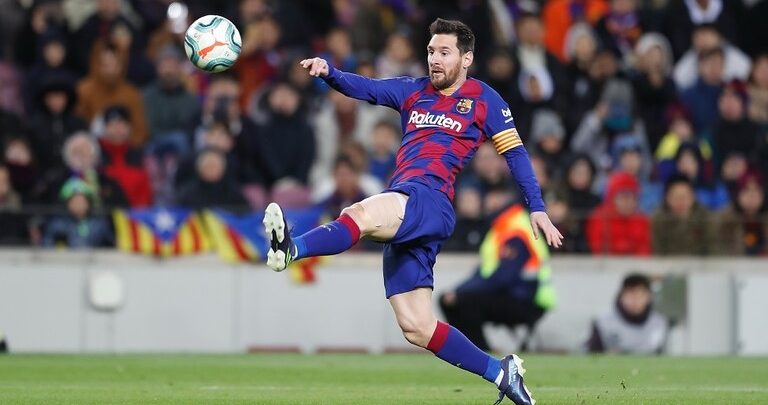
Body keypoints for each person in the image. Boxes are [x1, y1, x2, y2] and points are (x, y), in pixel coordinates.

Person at [263, 19, 562, 405]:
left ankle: (292, 249)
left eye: (444, 52)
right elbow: (368, 88)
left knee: (361, 213)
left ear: (466, 58)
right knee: (417, 327)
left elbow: (516, 154)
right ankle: (501, 372)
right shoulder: (413, 90)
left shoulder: (485, 100)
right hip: (409, 205)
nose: (435, 59)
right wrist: (330, 72)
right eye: (431, 51)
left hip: (430, 199)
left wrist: (537, 207)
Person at [439, 203, 556, 352]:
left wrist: (461, 294)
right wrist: (456, 292)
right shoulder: (500, 229)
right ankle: (465, 350)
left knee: (466, 302)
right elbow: (483, 272)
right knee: (449, 300)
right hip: (509, 295)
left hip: (525, 299)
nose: (489, 205)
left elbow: (504, 278)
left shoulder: (516, 232)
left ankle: (480, 352)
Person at [585, 273, 668, 354]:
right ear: (622, 296)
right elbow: (591, 354)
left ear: (649, 297)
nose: (636, 300)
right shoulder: (603, 322)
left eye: (640, 295)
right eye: (631, 295)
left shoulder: (659, 323)